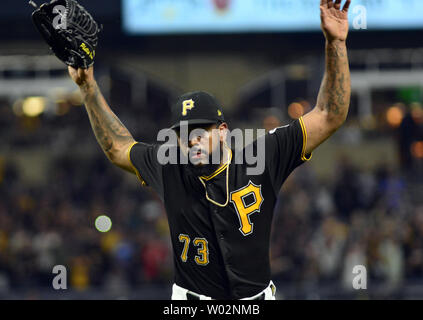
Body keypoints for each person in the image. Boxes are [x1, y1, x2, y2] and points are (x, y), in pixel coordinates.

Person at [68, 0, 352, 300]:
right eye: (183, 133)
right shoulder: (169, 168)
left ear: (223, 132)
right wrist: (88, 87)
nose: (191, 140)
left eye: (199, 131)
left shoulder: (263, 157)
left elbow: (329, 114)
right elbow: (117, 147)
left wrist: (335, 43)